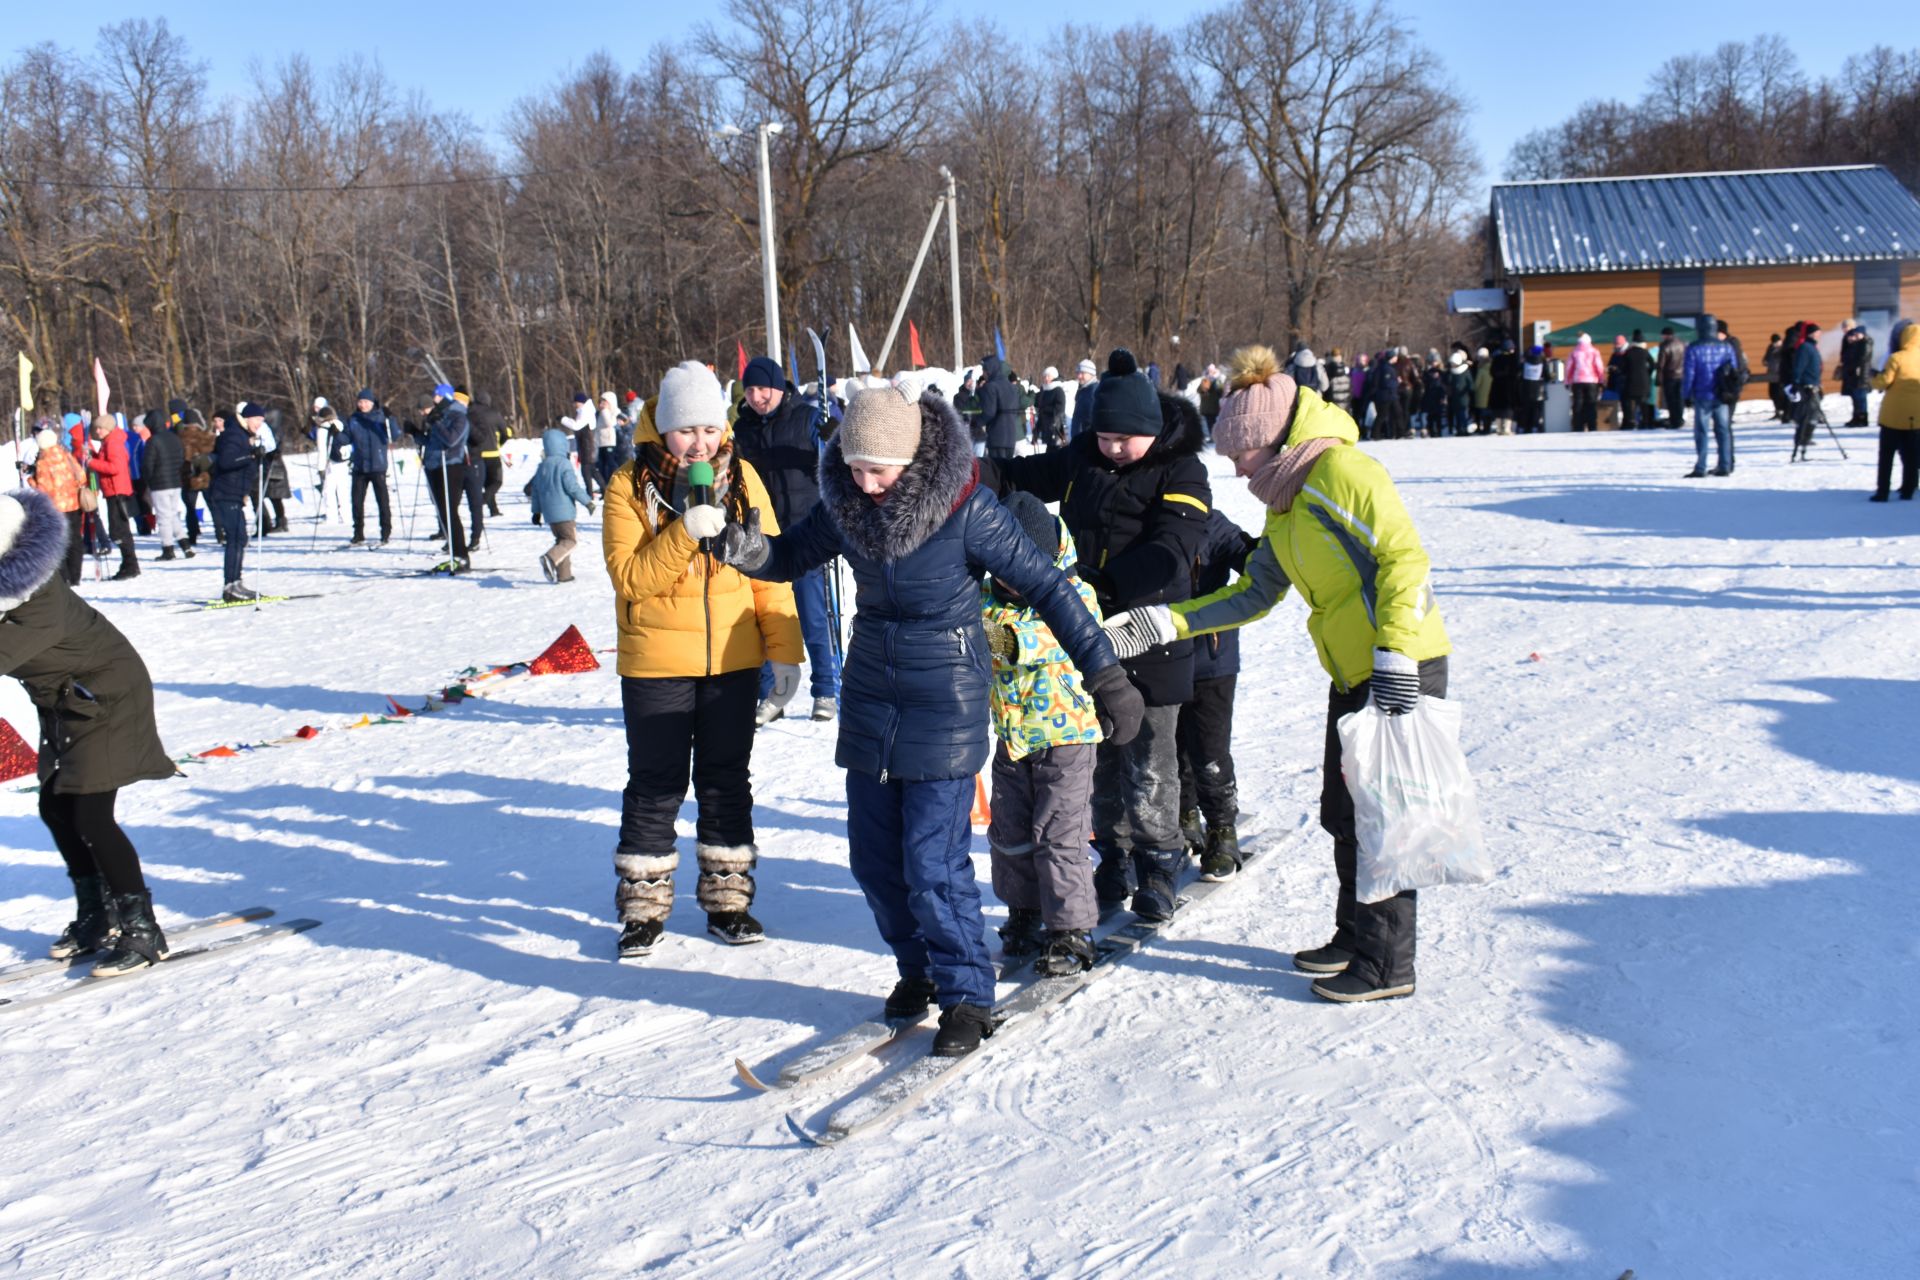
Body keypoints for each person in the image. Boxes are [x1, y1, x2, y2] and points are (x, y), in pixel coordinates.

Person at [719, 380, 1141, 1057]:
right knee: (874, 861)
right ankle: (917, 969)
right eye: (854, 468)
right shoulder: (847, 504)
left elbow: (1048, 587)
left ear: (912, 460)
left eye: (878, 470)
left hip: (945, 697)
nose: (865, 482)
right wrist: (745, 549)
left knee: (932, 861)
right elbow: (789, 555)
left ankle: (968, 993)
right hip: (869, 698)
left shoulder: (967, 510)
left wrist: (1106, 674)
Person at [1102, 344, 1453, 1002]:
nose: (1236, 469)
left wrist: (1397, 654)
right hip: (1353, 670)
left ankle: (1388, 965)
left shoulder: (1345, 472)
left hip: (1400, 664)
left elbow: (1404, 559)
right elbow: (1255, 595)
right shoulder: (1286, 499)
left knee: (1383, 820)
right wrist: (1169, 622)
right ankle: (1356, 936)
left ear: (1271, 440)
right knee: (1343, 812)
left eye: (1241, 455)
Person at [980, 349, 1210, 921]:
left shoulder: (1183, 470)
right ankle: (1113, 856)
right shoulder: (1086, 458)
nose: (1112, 448)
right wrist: (961, 468)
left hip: (1150, 633)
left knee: (1150, 757)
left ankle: (1159, 862)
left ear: (1151, 432)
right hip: (1084, 634)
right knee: (1100, 756)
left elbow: (1172, 550)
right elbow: (1018, 475)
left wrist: (1100, 585)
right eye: (1105, 435)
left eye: (1124, 439)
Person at [601, 362, 801, 956]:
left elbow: (770, 569)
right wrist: (686, 529)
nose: (700, 443)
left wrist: (785, 651)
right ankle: (642, 908)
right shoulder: (629, 486)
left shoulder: (742, 478)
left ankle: (729, 902)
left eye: (709, 430)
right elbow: (630, 577)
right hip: (656, 664)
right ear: (663, 430)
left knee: (725, 781)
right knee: (656, 785)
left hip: (732, 663)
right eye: (687, 431)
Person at [0, 488, 178, 973]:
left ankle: (143, 931)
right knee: (55, 806)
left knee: (91, 816)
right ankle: (96, 916)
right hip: (66, 701)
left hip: (108, 698)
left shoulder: (38, 607)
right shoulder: (16, 589)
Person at [981, 490, 1106, 976]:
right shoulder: (987, 597)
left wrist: (986, 636)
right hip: (1013, 739)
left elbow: (1030, 641)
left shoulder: (1074, 595)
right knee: (1010, 833)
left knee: (1059, 835)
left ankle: (1071, 930)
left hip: (1067, 739)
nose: (1010, 581)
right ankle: (1026, 911)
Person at [731, 355, 840, 726]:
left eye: (764, 389)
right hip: (762, 539)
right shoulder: (741, 429)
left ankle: (825, 689)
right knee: (763, 620)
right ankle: (770, 694)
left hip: (805, 534)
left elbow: (841, 454)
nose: (758, 396)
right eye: (750, 390)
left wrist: (834, 435)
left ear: (779, 388)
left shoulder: (807, 417)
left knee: (811, 616)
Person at [1176, 508, 1255, 881]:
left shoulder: (1211, 522)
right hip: (1158, 657)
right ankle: (1184, 817)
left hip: (1212, 658)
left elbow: (1252, 559)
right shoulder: (1134, 516)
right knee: (1168, 747)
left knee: (1208, 749)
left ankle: (1222, 831)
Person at [209, 404, 265, 601]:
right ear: (247, 418)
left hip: (234, 493)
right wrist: (250, 455)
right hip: (226, 493)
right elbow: (226, 461)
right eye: (257, 420)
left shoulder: (242, 435)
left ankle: (236, 581)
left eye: (262, 421)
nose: (259, 424)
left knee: (240, 538)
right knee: (235, 538)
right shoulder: (233, 435)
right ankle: (230, 585)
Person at [531, 421, 595, 579]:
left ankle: (564, 575)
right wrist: (587, 501)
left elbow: (536, 491)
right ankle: (550, 558)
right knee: (570, 541)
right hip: (564, 513)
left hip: (550, 515)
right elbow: (572, 487)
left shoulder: (542, 466)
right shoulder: (564, 464)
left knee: (561, 541)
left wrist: (536, 512)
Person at [1682, 314, 1741, 478]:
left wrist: (1686, 395)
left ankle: (1701, 466)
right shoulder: (1726, 347)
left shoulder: (1693, 348)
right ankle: (1725, 464)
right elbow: (1733, 371)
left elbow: (1689, 374)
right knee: (1723, 430)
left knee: (1701, 431)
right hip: (1722, 395)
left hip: (1702, 395)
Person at [82, 413, 139, 580]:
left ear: (108, 428)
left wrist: (91, 463)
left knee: (119, 531)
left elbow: (114, 467)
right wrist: (92, 454)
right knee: (119, 530)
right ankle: (129, 563)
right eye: (96, 428)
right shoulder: (109, 441)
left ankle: (130, 564)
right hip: (113, 490)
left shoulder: (113, 443)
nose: (97, 431)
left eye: (100, 428)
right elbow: (105, 461)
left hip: (117, 491)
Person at [27, 430, 88, 586]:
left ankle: (64, 576)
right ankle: (76, 575)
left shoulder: (43, 462)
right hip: (73, 504)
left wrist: (30, 480)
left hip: (56, 508)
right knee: (75, 539)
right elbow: (81, 476)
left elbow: (43, 490)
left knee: (58, 543)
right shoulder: (66, 455)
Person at [337, 389, 397, 545]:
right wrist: (337, 431)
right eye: (360, 402)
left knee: (382, 501)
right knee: (357, 502)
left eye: (366, 402)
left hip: (378, 466)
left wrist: (391, 419)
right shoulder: (354, 419)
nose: (362, 405)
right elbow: (346, 439)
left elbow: (394, 435)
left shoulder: (380, 418)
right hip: (359, 467)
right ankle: (358, 533)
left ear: (372, 403)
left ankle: (385, 532)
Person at [421, 384, 471, 571]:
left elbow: (451, 439)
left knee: (450, 513)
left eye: (437, 397)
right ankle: (454, 553)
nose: (434, 400)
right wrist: (417, 434)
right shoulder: (440, 416)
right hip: (434, 466)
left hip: (450, 467)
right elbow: (432, 442)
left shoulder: (459, 416)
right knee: (442, 513)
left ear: (446, 398)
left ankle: (461, 555)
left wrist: (436, 423)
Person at [1869, 319, 1919, 501]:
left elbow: (1883, 382)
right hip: (1916, 416)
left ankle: (1883, 491)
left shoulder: (1897, 358)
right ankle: (1909, 489)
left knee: (1887, 455)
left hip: (1892, 415)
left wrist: (1873, 378)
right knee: (1912, 455)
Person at [142, 406, 189, 560]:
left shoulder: (153, 441)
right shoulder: (174, 438)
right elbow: (182, 459)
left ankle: (168, 548)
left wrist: (147, 480)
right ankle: (184, 544)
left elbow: (148, 464)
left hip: (160, 484)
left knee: (163, 517)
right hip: (175, 481)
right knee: (172, 514)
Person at [468, 389, 508, 525]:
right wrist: (500, 443)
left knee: (485, 483)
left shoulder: (469, 413)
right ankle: (484, 500)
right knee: (496, 482)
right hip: (492, 453)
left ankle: (494, 509)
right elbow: (505, 432)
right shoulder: (494, 414)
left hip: (475, 454)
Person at [1787, 320, 1824, 462]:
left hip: (1814, 385)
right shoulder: (1805, 348)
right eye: (1817, 332)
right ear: (1811, 333)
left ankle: (1805, 439)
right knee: (1806, 416)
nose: (1819, 334)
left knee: (1813, 416)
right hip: (1807, 387)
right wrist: (1796, 383)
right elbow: (1799, 367)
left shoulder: (1812, 347)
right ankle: (1801, 441)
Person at [976, 354, 1022, 461]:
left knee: (997, 471)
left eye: (984, 370)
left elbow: (989, 412)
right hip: (1011, 436)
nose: (983, 374)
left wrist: (976, 422)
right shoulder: (1012, 387)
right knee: (1008, 470)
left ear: (989, 370)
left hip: (996, 436)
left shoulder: (991, 386)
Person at [1611, 330, 1655, 430]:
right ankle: (1646, 422)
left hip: (1630, 382)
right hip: (1644, 381)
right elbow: (1652, 365)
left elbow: (1622, 367)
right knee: (1644, 403)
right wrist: (1647, 374)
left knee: (1629, 403)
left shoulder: (1628, 353)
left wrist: (1624, 372)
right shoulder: (1645, 352)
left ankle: (1630, 421)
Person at [1565, 333, 1604, 432]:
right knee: (1591, 404)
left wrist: (1567, 381)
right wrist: (1601, 379)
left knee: (1578, 404)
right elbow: (1599, 366)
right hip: (1592, 381)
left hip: (1577, 381)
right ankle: (1592, 426)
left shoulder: (1574, 352)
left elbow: (1569, 367)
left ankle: (1578, 426)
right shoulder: (1594, 351)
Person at [563, 393, 598, 499]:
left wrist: (563, 419)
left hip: (587, 446)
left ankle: (590, 493)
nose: (574, 405)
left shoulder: (584, 412)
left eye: (576, 402)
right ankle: (601, 489)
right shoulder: (586, 411)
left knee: (586, 471)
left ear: (580, 402)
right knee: (592, 471)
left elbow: (576, 426)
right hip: (586, 446)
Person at [1840, 320, 1874, 427]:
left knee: (1860, 398)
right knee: (1856, 397)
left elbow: (1862, 358)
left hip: (1861, 374)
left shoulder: (1865, 343)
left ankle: (1862, 419)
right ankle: (1857, 417)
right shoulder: (1855, 343)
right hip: (1855, 374)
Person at [1657, 327, 1688, 429]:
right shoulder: (1682, 344)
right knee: (1679, 399)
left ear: (1665, 335)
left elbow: (1661, 364)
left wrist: (1659, 377)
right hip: (1681, 375)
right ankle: (1679, 419)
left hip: (1669, 376)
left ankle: (1674, 420)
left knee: (1671, 400)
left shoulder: (1665, 346)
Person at [594, 391, 623, 488]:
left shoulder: (607, 412)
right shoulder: (602, 413)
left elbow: (609, 423)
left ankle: (614, 483)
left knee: (609, 464)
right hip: (602, 442)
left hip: (608, 442)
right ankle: (607, 484)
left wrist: (605, 411)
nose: (601, 404)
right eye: (601, 401)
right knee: (603, 465)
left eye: (604, 401)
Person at [1033, 366, 1068, 448]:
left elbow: (1060, 409)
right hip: (1046, 427)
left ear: (1054, 377)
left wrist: (1045, 409)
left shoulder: (1058, 390)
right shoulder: (1044, 391)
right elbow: (1040, 409)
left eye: (1048, 376)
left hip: (1055, 427)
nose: (1046, 378)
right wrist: (1036, 433)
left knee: (1055, 453)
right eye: (1045, 376)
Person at [1069, 358, 1099, 439]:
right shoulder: (1083, 390)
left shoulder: (1094, 392)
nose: (1079, 376)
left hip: (1087, 441)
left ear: (1091, 374)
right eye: (1078, 373)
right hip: (1080, 440)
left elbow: (1092, 420)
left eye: (1083, 373)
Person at [1763, 333, 1789, 421]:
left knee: (1781, 394)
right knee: (1773, 394)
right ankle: (1777, 411)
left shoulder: (1784, 349)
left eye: (1777, 342)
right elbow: (1765, 359)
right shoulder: (1770, 348)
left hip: (1780, 375)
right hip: (1771, 375)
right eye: (1774, 342)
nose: (1776, 344)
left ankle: (1783, 411)